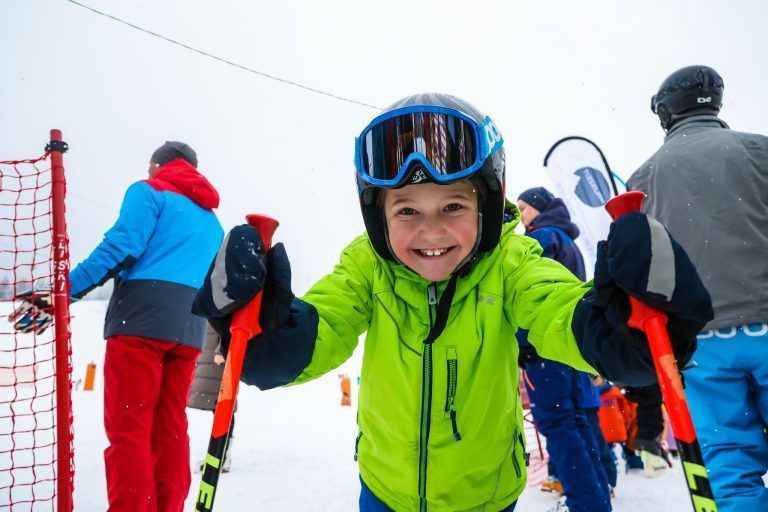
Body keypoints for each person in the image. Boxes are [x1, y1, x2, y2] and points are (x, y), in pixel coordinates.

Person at [193, 94, 713, 512]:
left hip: (485, 495)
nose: (431, 230)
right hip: (385, 491)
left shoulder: (510, 260)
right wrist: (269, 331)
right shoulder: (368, 265)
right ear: (378, 216)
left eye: (453, 205)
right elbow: (326, 320)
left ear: (487, 205)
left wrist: (618, 330)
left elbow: (555, 307)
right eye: (406, 210)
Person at [13, 141, 224, 511]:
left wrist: (61, 295)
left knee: (130, 427)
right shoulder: (212, 221)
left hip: (140, 323)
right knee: (170, 427)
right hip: (189, 331)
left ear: (159, 165)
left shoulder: (149, 191)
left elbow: (119, 249)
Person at [628, 65, 768, 512]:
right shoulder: (759, 152)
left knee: (729, 464)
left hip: (701, 342)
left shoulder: (644, 179)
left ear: (666, 113)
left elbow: (640, 271)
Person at [516, 188, 610, 511]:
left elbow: (529, 292)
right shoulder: (569, 243)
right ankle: (597, 494)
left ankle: (587, 503)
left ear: (539, 209)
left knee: (558, 424)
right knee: (577, 421)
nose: (520, 216)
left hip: (545, 346)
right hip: (569, 343)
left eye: (523, 208)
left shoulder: (541, 239)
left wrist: (523, 341)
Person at [188, 323, 234, 472]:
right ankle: (218, 455)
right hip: (208, 356)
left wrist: (222, 349)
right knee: (219, 406)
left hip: (218, 358)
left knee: (224, 405)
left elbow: (229, 320)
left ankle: (221, 456)